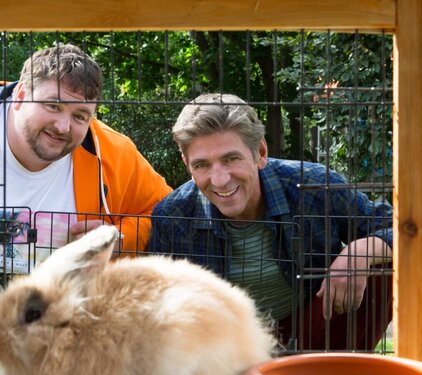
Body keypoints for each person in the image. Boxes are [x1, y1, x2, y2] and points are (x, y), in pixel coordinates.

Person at [0, 43, 172, 375]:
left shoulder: (113, 154)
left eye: (80, 116)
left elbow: (166, 215)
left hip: (46, 307)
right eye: (53, 105)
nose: (63, 126)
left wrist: (118, 239)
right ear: (20, 95)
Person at [147, 93, 393, 351]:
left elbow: (402, 230)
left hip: (312, 326)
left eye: (231, 159)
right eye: (202, 165)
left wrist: (358, 252)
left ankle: (336, 374)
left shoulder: (313, 185)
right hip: (226, 347)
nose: (219, 179)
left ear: (260, 153)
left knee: (381, 268)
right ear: (187, 164)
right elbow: (158, 309)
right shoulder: (172, 215)